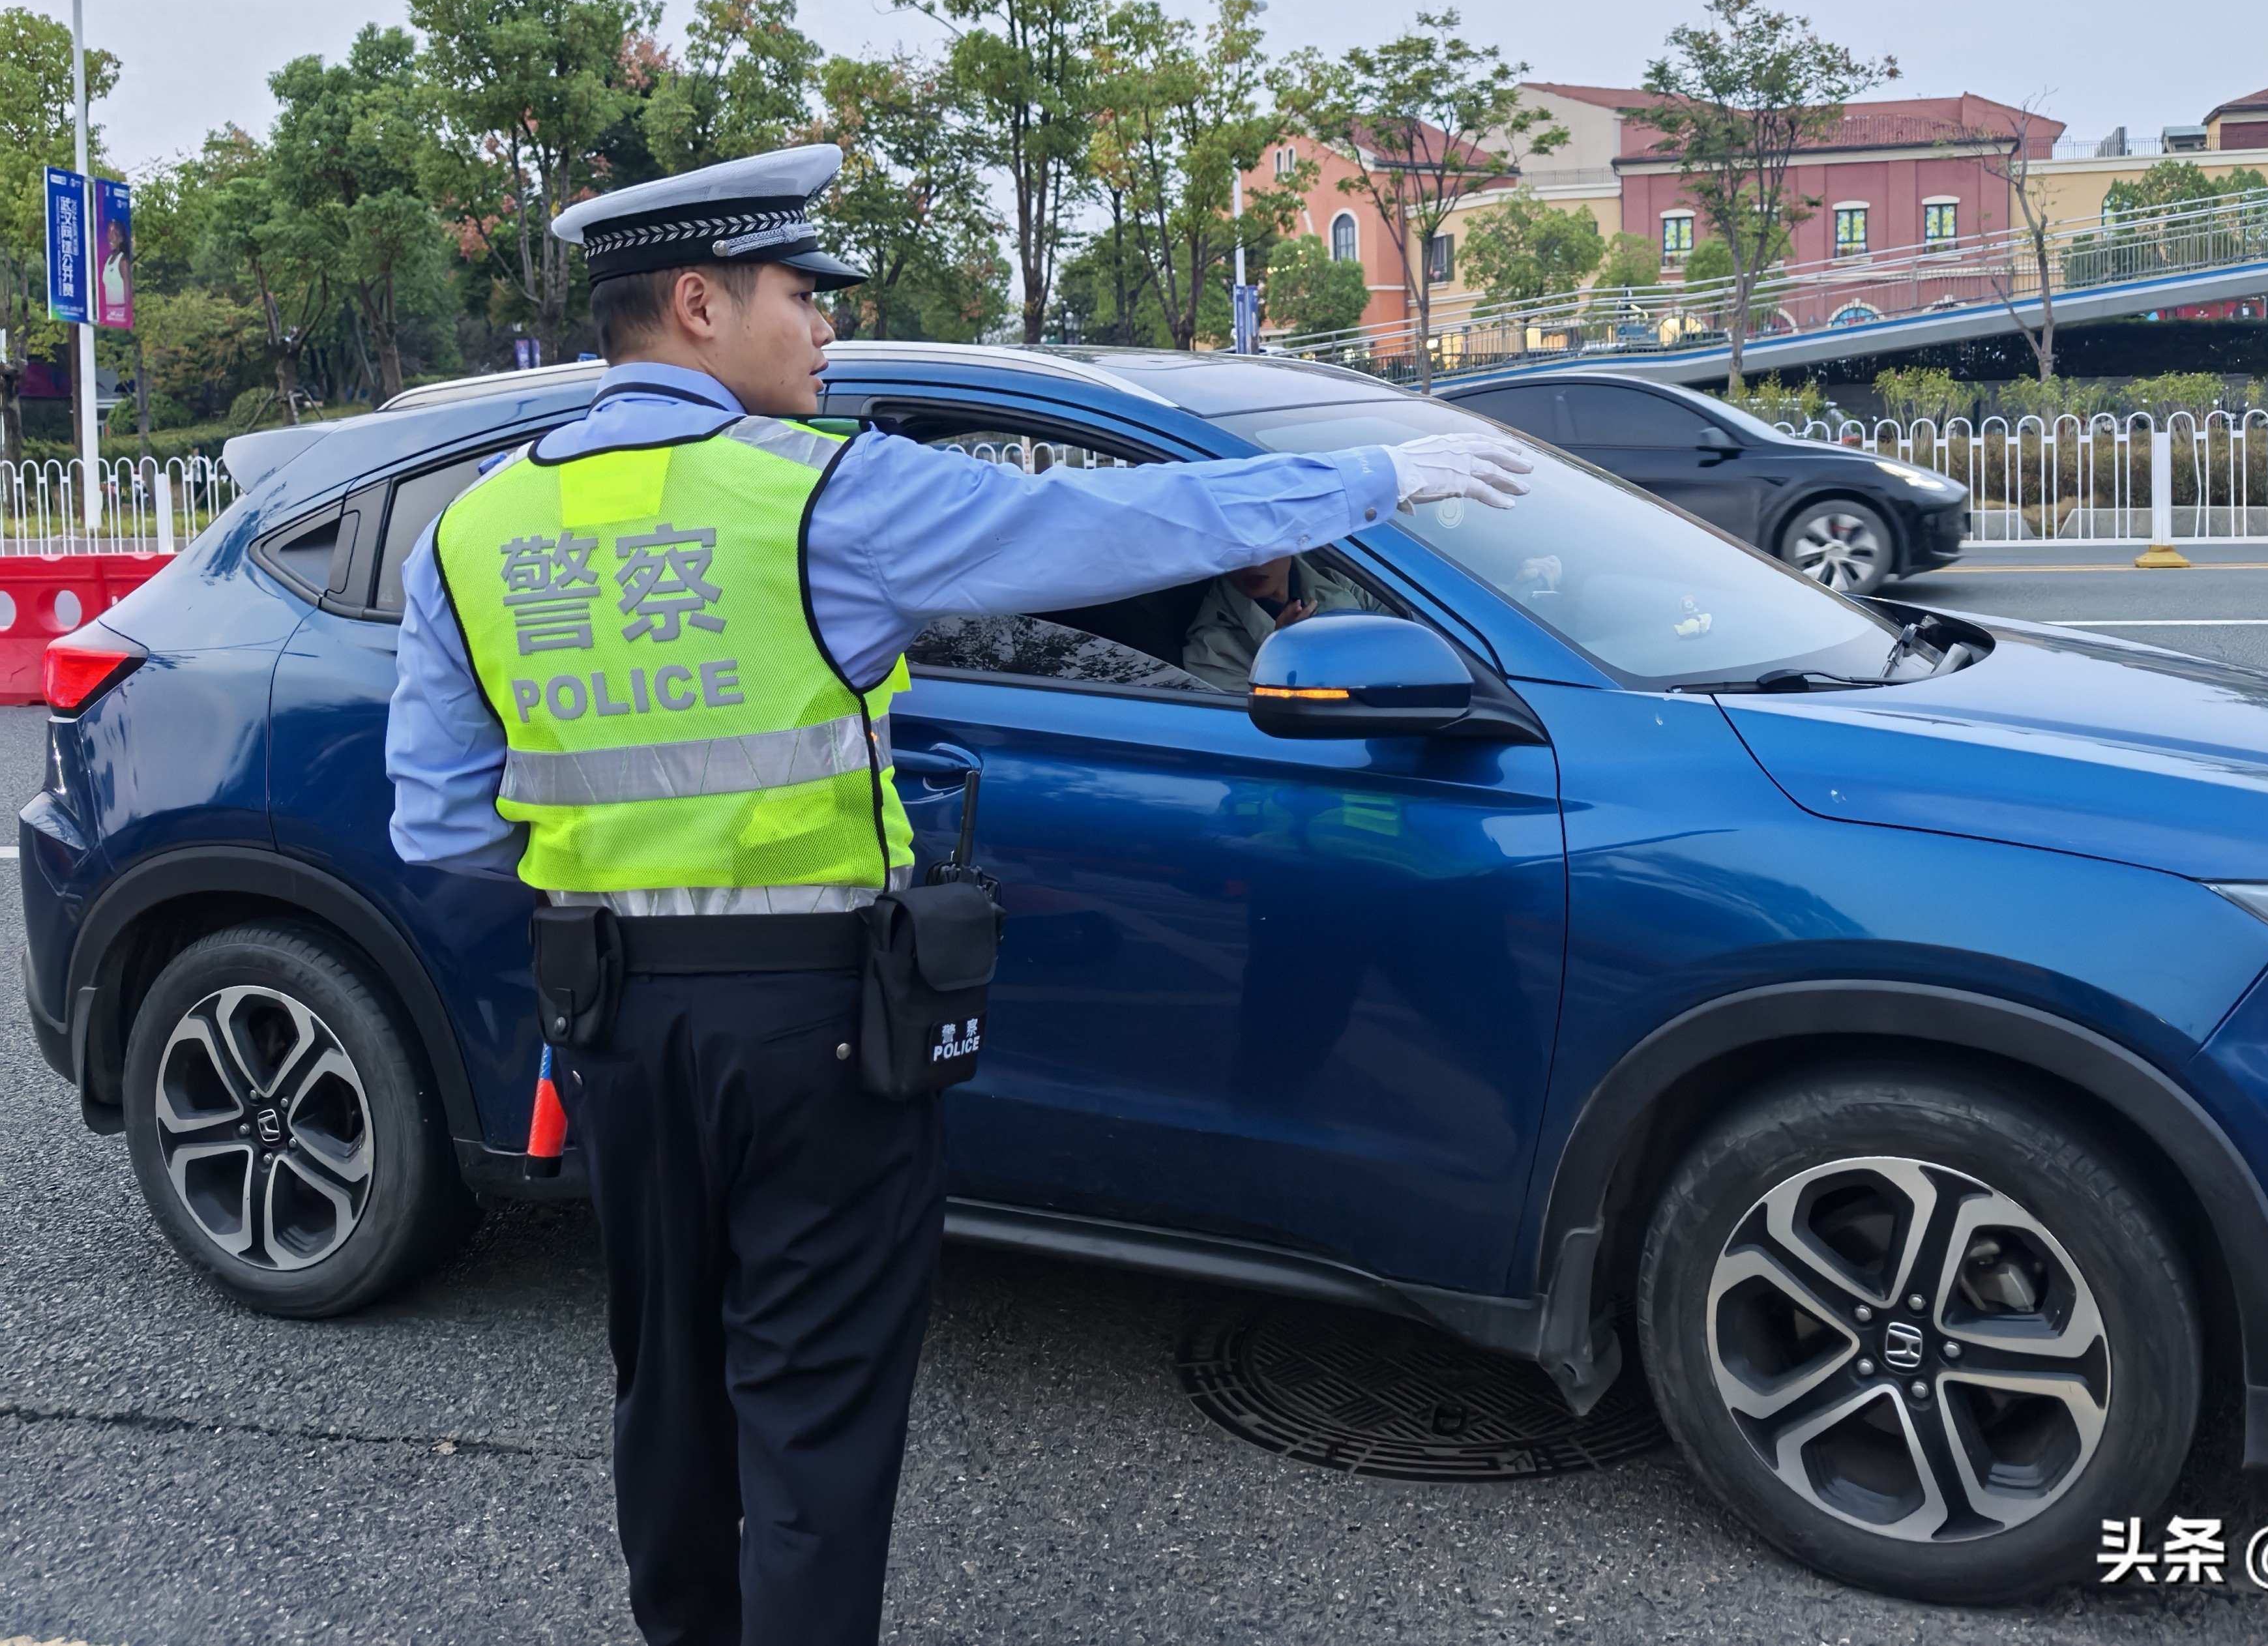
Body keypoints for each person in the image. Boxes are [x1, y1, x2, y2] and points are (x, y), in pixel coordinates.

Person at [381, 143, 1530, 1646]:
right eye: (804, 295)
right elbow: (1111, 527)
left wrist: (621, 877)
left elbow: (441, 819)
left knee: (664, 1374)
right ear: (696, 303)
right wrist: (1375, 473)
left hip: (611, 1024)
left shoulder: (475, 527)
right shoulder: (815, 494)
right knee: (812, 1400)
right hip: (813, 1028)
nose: (827, 329)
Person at [1181, 551, 1389, 690]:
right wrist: (1282, 657)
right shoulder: (1210, 648)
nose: (1254, 562)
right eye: (1236, 550)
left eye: (1267, 545)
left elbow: (1403, 638)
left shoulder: (1341, 582)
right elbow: (1260, 730)